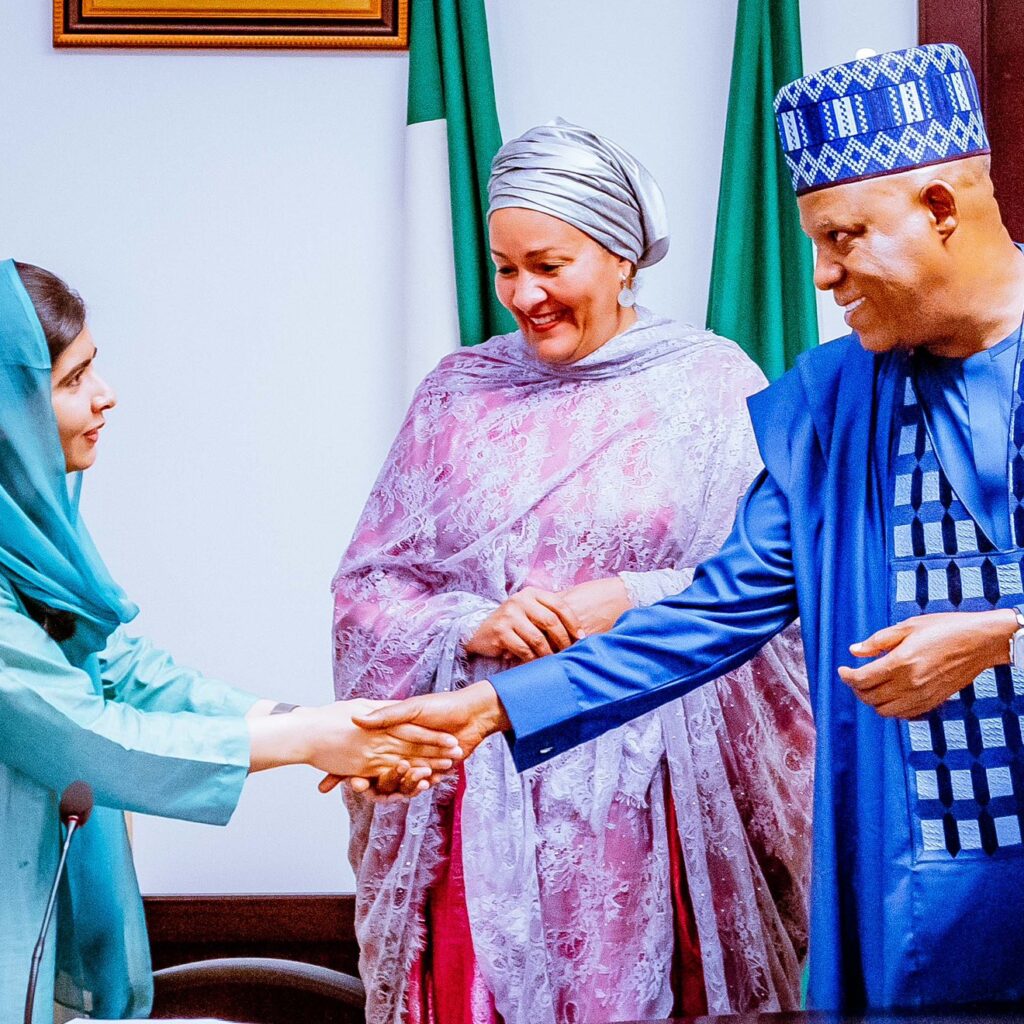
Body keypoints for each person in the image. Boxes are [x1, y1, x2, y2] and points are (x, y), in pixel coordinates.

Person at [358, 44, 1024, 1013]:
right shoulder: (830, 405)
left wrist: (1008, 634)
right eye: (813, 241)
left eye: (842, 237)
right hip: (910, 879)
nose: (825, 275)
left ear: (938, 206)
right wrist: (488, 710)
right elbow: (710, 615)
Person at [331, 120, 812, 1024]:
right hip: (483, 791)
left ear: (623, 256)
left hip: (653, 802)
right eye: (507, 268)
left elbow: (782, 602)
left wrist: (628, 599)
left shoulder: (713, 387)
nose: (525, 294)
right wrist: (464, 626)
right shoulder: (455, 393)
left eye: (550, 264)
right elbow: (368, 591)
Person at [0, 260, 459, 1024]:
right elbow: (86, 736)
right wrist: (310, 738)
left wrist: (305, 725)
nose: (106, 395)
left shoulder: (27, 543)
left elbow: (119, 671)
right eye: (75, 378)